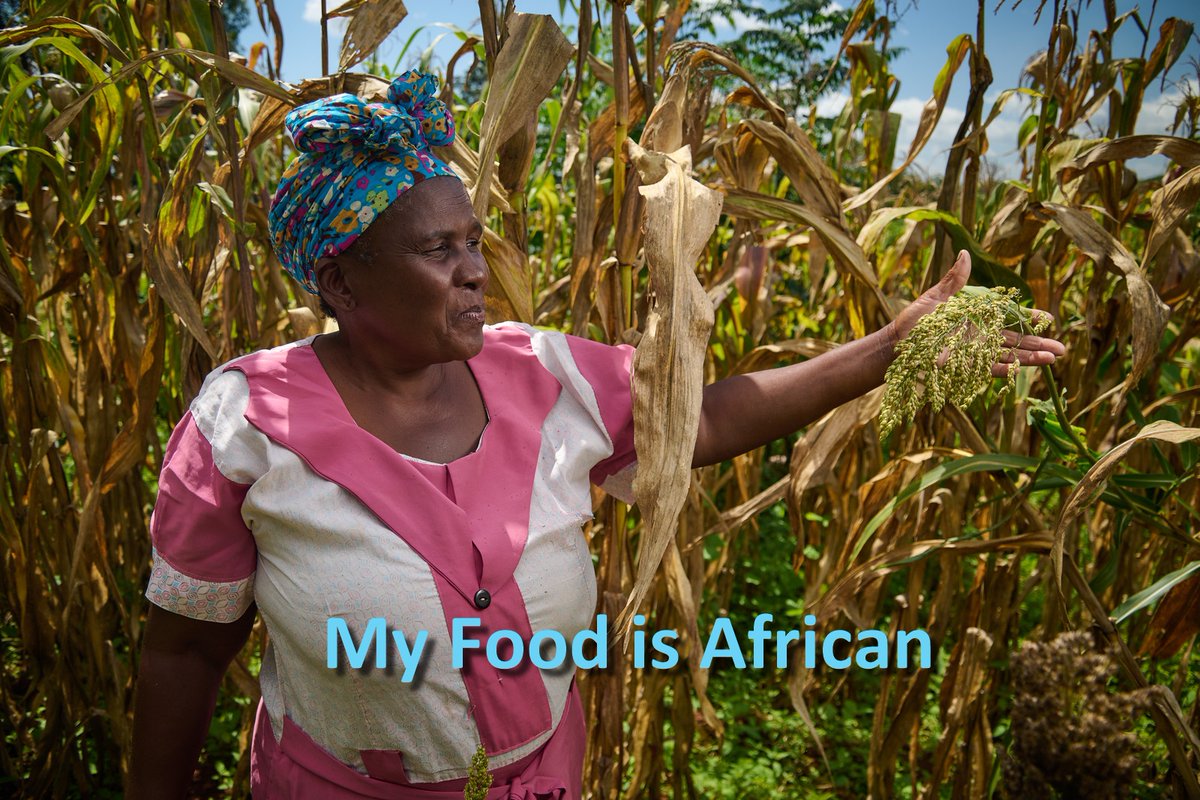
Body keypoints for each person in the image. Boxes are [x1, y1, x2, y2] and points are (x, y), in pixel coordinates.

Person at [129, 71, 1065, 798]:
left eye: (472, 240)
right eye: (437, 249)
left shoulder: (543, 373)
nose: (474, 271)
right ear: (341, 283)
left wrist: (886, 352)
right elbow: (185, 651)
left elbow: (700, 418)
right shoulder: (245, 424)